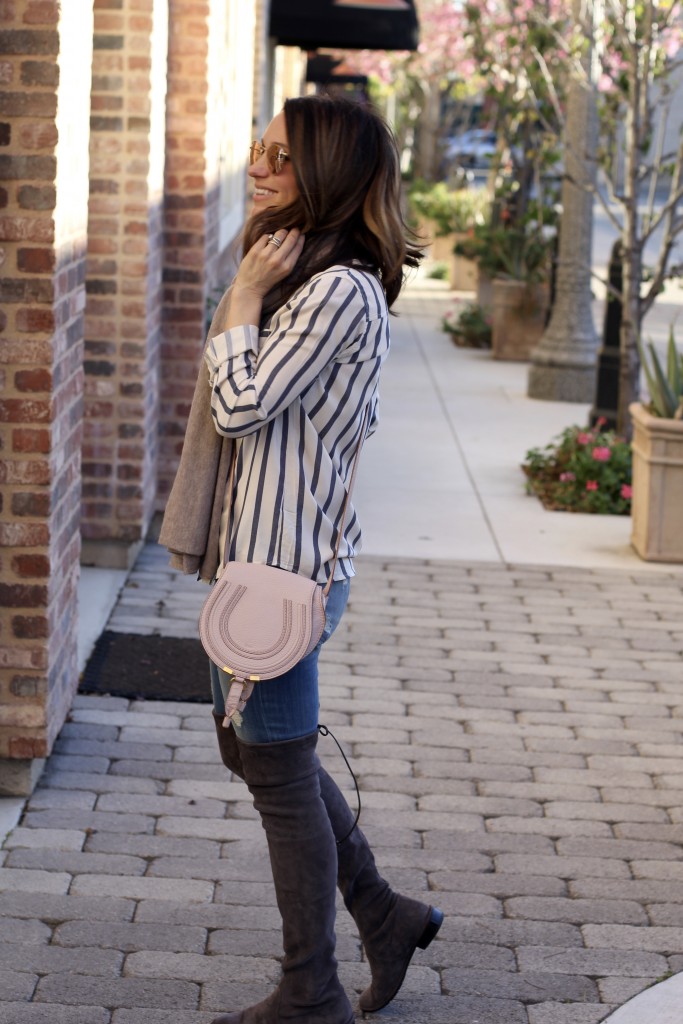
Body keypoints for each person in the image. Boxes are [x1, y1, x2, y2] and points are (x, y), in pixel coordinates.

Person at [159, 94, 443, 1024]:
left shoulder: (336, 289)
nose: (257, 164)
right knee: (256, 756)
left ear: (321, 172)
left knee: (275, 776)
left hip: (283, 572)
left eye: (279, 155)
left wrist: (239, 299)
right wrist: (248, 289)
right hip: (256, 563)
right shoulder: (302, 271)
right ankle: (383, 915)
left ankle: (310, 991)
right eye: (258, 148)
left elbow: (240, 403)